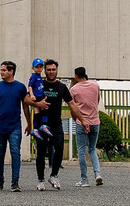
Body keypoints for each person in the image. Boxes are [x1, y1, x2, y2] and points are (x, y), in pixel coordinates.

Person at [31, 60, 89, 191]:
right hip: (41, 124)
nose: (51, 72)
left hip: (56, 124)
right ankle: (40, 180)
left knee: (59, 147)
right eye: (49, 69)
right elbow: (27, 99)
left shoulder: (62, 87)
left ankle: (54, 176)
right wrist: (37, 105)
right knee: (40, 152)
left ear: (57, 70)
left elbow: (72, 105)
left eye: (53, 69)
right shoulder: (39, 84)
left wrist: (83, 120)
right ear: (44, 71)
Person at [0, 61, 31, 192]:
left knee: (15, 152)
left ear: (11, 71)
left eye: (4, 70)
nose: (1, 72)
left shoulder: (20, 87)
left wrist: (29, 123)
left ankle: (15, 182)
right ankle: (0, 179)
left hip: (15, 126)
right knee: (0, 154)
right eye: (1, 70)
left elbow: (25, 106)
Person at [70, 66, 102, 188]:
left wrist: (77, 119)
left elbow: (72, 107)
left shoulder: (74, 89)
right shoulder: (95, 86)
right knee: (92, 149)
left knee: (82, 151)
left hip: (81, 122)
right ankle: (97, 174)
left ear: (76, 76)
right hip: (95, 121)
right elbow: (97, 101)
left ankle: (84, 180)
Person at [28, 58, 52, 140]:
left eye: (40, 67)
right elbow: (30, 86)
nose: (38, 69)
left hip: (40, 96)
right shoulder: (34, 77)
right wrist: (31, 95)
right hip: (37, 97)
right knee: (44, 108)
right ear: (33, 68)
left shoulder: (39, 77)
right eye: (36, 67)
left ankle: (38, 128)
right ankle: (40, 126)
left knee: (38, 112)